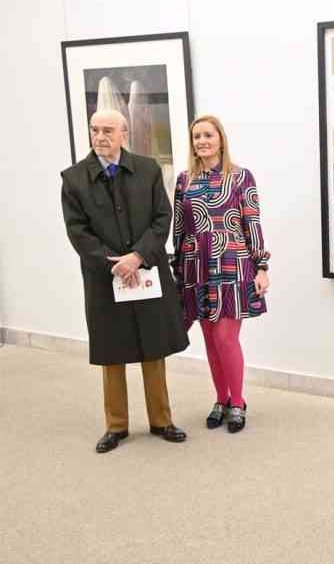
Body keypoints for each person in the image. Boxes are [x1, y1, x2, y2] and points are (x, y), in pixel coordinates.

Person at [61, 109, 190, 453]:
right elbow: (78, 232)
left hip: (146, 271)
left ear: (124, 134)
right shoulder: (74, 179)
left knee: (154, 347)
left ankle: (162, 420)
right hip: (104, 277)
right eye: (94, 130)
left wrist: (138, 257)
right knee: (111, 351)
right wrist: (114, 264)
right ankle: (116, 426)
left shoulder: (148, 169)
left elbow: (163, 218)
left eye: (107, 130)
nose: (99, 136)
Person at [172, 115, 270, 434]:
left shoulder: (241, 177)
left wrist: (262, 266)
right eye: (196, 136)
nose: (201, 141)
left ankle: (238, 402)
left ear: (220, 139)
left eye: (207, 135)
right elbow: (178, 228)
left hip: (232, 264)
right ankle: (221, 399)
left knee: (227, 338)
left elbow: (252, 223)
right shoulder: (184, 179)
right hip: (195, 267)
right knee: (211, 341)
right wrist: (176, 272)